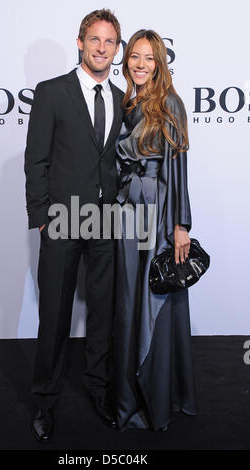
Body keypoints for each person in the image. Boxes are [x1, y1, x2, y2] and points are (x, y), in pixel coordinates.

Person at [24, 9, 124, 442]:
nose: (102, 48)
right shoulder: (52, 92)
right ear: (80, 42)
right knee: (55, 315)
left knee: (103, 314)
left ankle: (99, 392)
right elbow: (36, 161)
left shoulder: (124, 98)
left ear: (116, 49)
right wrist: (42, 219)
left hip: (106, 220)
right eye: (95, 40)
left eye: (110, 42)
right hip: (62, 220)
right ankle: (45, 401)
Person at [113, 29, 198, 431]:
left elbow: (178, 168)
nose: (140, 64)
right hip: (127, 213)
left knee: (152, 298)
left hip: (158, 213)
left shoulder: (170, 103)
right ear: (126, 60)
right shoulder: (127, 101)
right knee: (130, 298)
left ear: (160, 63)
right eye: (134, 56)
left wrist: (180, 226)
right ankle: (130, 393)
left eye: (148, 58)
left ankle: (157, 399)